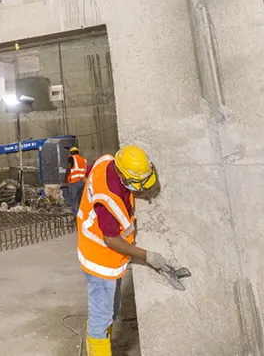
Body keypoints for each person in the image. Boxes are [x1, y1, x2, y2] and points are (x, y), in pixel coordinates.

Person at [77, 145, 184, 356]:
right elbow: (111, 240)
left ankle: (100, 340)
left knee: (109, 311)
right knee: (102, 316)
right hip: (99, 260)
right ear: (123, 177)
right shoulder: (107, 201)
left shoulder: (106, 161)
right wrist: (147, 256)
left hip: (107, 256)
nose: (144, 191)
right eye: (139, 185)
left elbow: (88, 174)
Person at [65, 145, 87, 214]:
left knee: (73, 200)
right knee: (81, 200)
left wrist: (66, 179)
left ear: (71, 153)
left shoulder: (71, 159)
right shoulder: (83, 160)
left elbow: (68, 169)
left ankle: (77, 216)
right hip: (83, 182)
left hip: (74, 182)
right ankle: (83, 215)